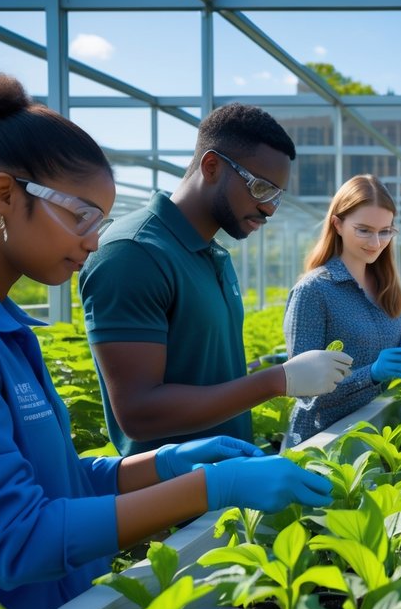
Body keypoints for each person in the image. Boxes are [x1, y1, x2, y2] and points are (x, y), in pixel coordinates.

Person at [0, 72, 333, 609]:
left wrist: (167, 464)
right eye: (80, 217)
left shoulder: (3, 324)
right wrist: (211, 489)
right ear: (4, 196)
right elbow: (14, 538)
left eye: (101, 220)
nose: (94, 243)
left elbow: (58, 485)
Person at [79, 103, 352, 456]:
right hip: (172, 501)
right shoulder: (132, 253)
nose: (269, 208)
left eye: (277, 196)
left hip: (228, 486)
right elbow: (138, 413)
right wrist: (278, 380)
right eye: (260, 189)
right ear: (211, 166)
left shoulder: (214, 255)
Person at [283, 175, 401, 446]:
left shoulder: (388, 288)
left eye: (385, 231)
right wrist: (370, 375)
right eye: (364, 230)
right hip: (323, 443)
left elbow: (399, 354)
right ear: (337, 224)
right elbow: (302, 390)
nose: (376, 242)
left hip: (377, 430)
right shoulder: (314, 290)